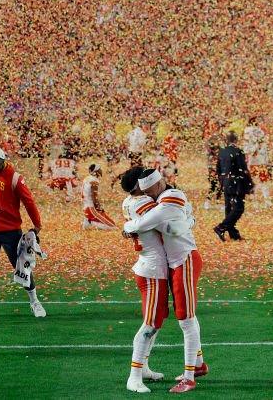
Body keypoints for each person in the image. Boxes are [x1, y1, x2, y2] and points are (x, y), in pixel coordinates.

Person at [123, 167, 206, 394]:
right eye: (145, 192)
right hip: (165, 266)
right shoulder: (149, 200)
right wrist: (184, 223)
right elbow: (166, 221)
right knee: (172, 319)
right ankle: (195, 366)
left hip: (182, 261)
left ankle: (190, 376)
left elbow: (144, 223)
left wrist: (127, 227)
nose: (149, 197)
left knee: (185, 319)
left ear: (158, 185)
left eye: (150, 191)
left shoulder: (170, 196)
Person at [120, 167, 169, 393]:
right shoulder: (143, 204)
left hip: (150, 266)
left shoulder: (129, 202)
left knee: (156, 322)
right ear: (139, 185)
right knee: (150, 324)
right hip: (152, 270)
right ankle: (134, 375)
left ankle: (144, 366)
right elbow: (168, 219)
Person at [0, 147, 45, 318]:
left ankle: (34, 302)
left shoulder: (14, 177)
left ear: (4, 160)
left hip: (10, 230)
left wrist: (37, 224)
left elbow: (28, 201)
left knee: (22, 267)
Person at [214, 132, 252, 241]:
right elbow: (243, 169)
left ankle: (233, 234)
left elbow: (218, 169)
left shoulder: (222, 152)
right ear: (236, 140)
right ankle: (221, 227)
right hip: (237, 183)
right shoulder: (238, 152)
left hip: (226, 182)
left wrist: (222, 182)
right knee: (239, 208)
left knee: (229, 208)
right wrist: (249, 184)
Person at [242, 117, 273, 207]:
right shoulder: (259, 132)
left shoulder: (247, 131)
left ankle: (257, 201)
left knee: (254, 180)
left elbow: (246, 147)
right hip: (260, 159)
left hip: (253, 160)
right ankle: (266, 200)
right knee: (263, 180)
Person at [81, 163, 117, 230]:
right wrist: (99, 208)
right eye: (99, 169)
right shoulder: (94, 181)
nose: (101, 170)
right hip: (91, 208)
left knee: (112, 223)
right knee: (113, 227)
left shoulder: (87, 178)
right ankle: (90, 222)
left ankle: (87, 221)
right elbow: (94, 197)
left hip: (86, 207)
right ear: (96, 171)